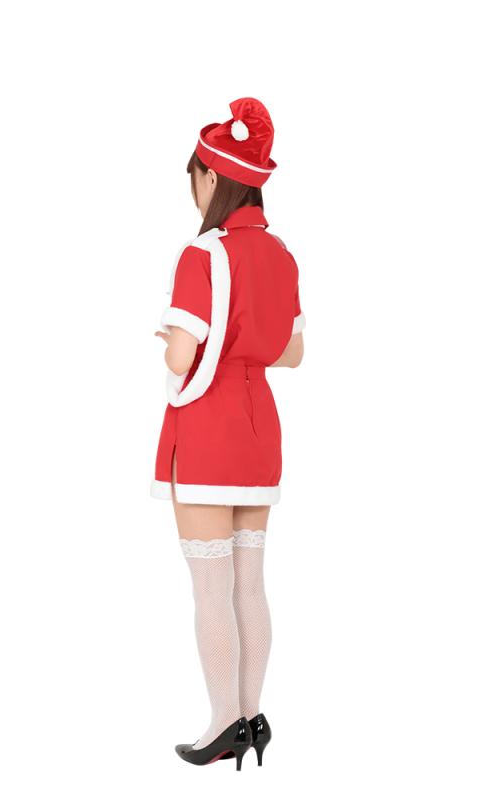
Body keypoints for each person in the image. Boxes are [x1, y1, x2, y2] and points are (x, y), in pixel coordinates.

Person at [151, 97, 305, 770]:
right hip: (259, 428)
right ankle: (252, 714)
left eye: (195, 177)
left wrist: (168, 339)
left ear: (212, 177)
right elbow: (292, 353)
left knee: (211, 590)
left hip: (210, 428)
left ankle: (223, 723)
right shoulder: (281, 255)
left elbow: (182, 356)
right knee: (250, 584)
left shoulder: (202, 254)